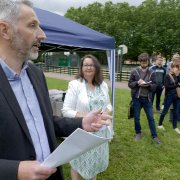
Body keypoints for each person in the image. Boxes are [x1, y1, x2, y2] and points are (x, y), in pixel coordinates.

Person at [0, 1, 111, 180]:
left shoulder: (36, 74)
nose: (42, 35)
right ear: (5, 30)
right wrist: (15, 171)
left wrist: (81, 123)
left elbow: (46, 122)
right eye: (32, 25)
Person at [62, 54, 112, 180]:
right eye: (85, 65)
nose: (88, 67)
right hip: (83, 131)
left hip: (100, 132)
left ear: (96, 67)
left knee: (94, 161)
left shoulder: (103, 85)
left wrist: (104, 115)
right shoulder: (75, 84)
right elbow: (66, 110)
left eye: (91, 65)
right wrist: (88, 117)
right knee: (77, 159)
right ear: (81, 68)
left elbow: (109, 105)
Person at [128, 53, 161, 144]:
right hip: (137, 99)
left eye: (145, 61)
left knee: (151, 118)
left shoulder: (152, 72)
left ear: (148, 61)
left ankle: (154, 136)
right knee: (136, 118)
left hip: (148, 99)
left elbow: (154, 86)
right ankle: (138, 133)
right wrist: (137, 83)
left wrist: (148, 85)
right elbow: (130, 84)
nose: (144, 63)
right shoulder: (134, 71)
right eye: (142, 61)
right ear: (140, 62)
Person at [158, 63, 180, 132]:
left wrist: (178, 76)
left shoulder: (177, 76)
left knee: (176, 112)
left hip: (177, 97)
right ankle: (160, 124)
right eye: (175, 67)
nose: (177, 69)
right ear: (171, 68)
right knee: (165, 111)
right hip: (169, 96)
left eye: (177, 68)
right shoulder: (167, 76)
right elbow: (167, 87)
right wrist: (176, 85)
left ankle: (175, 126)